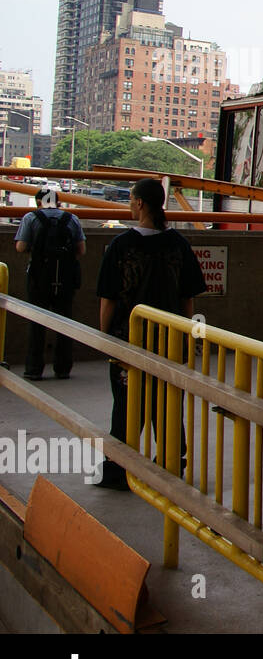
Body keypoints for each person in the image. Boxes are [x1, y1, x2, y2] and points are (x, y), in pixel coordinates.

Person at [95, 178, 207, 491]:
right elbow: (189, 297)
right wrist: (190, 334)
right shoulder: (179, 244)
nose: (129, 205)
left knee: (127, 402)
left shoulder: (122, 245)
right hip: (171, 339)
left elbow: (108, 298)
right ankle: (172, 462)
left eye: (131, 200)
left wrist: (105, 337)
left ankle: (119, 468)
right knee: (169, 400)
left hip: (129, 338)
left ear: (140, 203)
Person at [14, 185, 85, 380]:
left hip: (39, 277)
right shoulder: (72, 219)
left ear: (39, 202)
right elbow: (81, 250)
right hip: (65, 278)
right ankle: (63, 368)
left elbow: (20, 246)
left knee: (37, 323)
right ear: (58, 201)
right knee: (65, 321)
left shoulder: (31, 218)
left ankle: (34, 368)